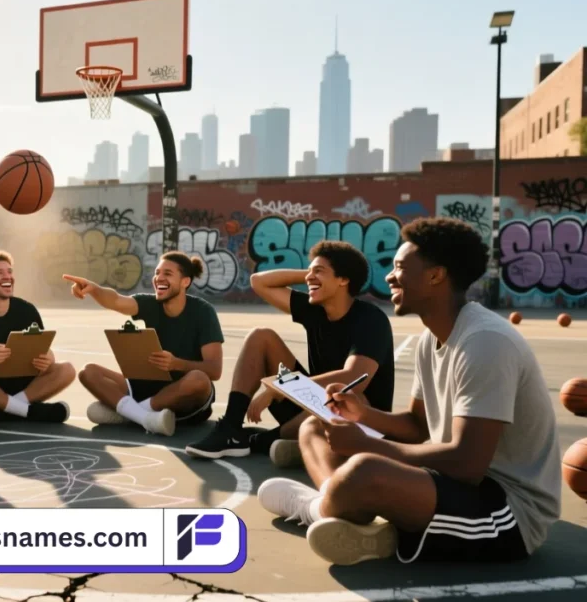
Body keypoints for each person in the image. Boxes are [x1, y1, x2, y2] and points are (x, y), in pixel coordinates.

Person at [258, 217, 562, 567]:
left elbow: (467, 465)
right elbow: (419, 426)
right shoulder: (429, 338)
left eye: (400, 266)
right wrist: (361, 414)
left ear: (435, 276)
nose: (389, 275)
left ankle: (316, 508)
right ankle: (343, 508)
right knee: (315, 426)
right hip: (451, 480)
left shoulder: (485, 342)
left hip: (507, 511)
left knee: (363, 471)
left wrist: (366, 444)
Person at [186, 241, 395, 468]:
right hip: (312, 405)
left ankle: (265, 440)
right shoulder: (314, 308)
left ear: (344, 279)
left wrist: (280, 387)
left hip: (361, 423)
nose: (309, 278)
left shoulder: (370, 320)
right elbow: (259, 282)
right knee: (261, 337)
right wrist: (314, 274)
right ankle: (231, 431)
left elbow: (353, 381)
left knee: (347, 398)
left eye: (319, 271)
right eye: (310, 271)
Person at [66, 251, 223, 436]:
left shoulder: (203, 312)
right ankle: (144, 417)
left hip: (184, 397)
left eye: (167, 273)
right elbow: (116, 300)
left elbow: (214, 370)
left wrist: (176, 363)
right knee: (88, 372)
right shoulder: (149, 304)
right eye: (157, 272)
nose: (159, 278)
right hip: (148, 386)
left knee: (199, 379)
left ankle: (131, 413)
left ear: (185, 282)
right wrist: (93, 289)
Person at [0, 250, 75, 423]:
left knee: (67, 370)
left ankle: (7, 408)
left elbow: (47, 352)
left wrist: (47, 359)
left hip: (23, 386)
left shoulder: (27, 310)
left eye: (9, 271)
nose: (7, 276)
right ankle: (28, 411)